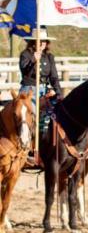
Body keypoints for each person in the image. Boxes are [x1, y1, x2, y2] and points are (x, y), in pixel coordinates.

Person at [19, 27, 62, 163]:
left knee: (52, 118)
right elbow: (25, 71)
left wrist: (57, 91)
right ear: (33, 42)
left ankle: (49, 149)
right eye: (39, 41)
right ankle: (30, 149)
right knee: (30, 118)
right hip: (29, 89)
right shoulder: (25, 55)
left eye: (44, 41)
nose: (42, 43)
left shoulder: (49, 57)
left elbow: (54, 76)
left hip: (45, 90)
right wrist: (33, 60)